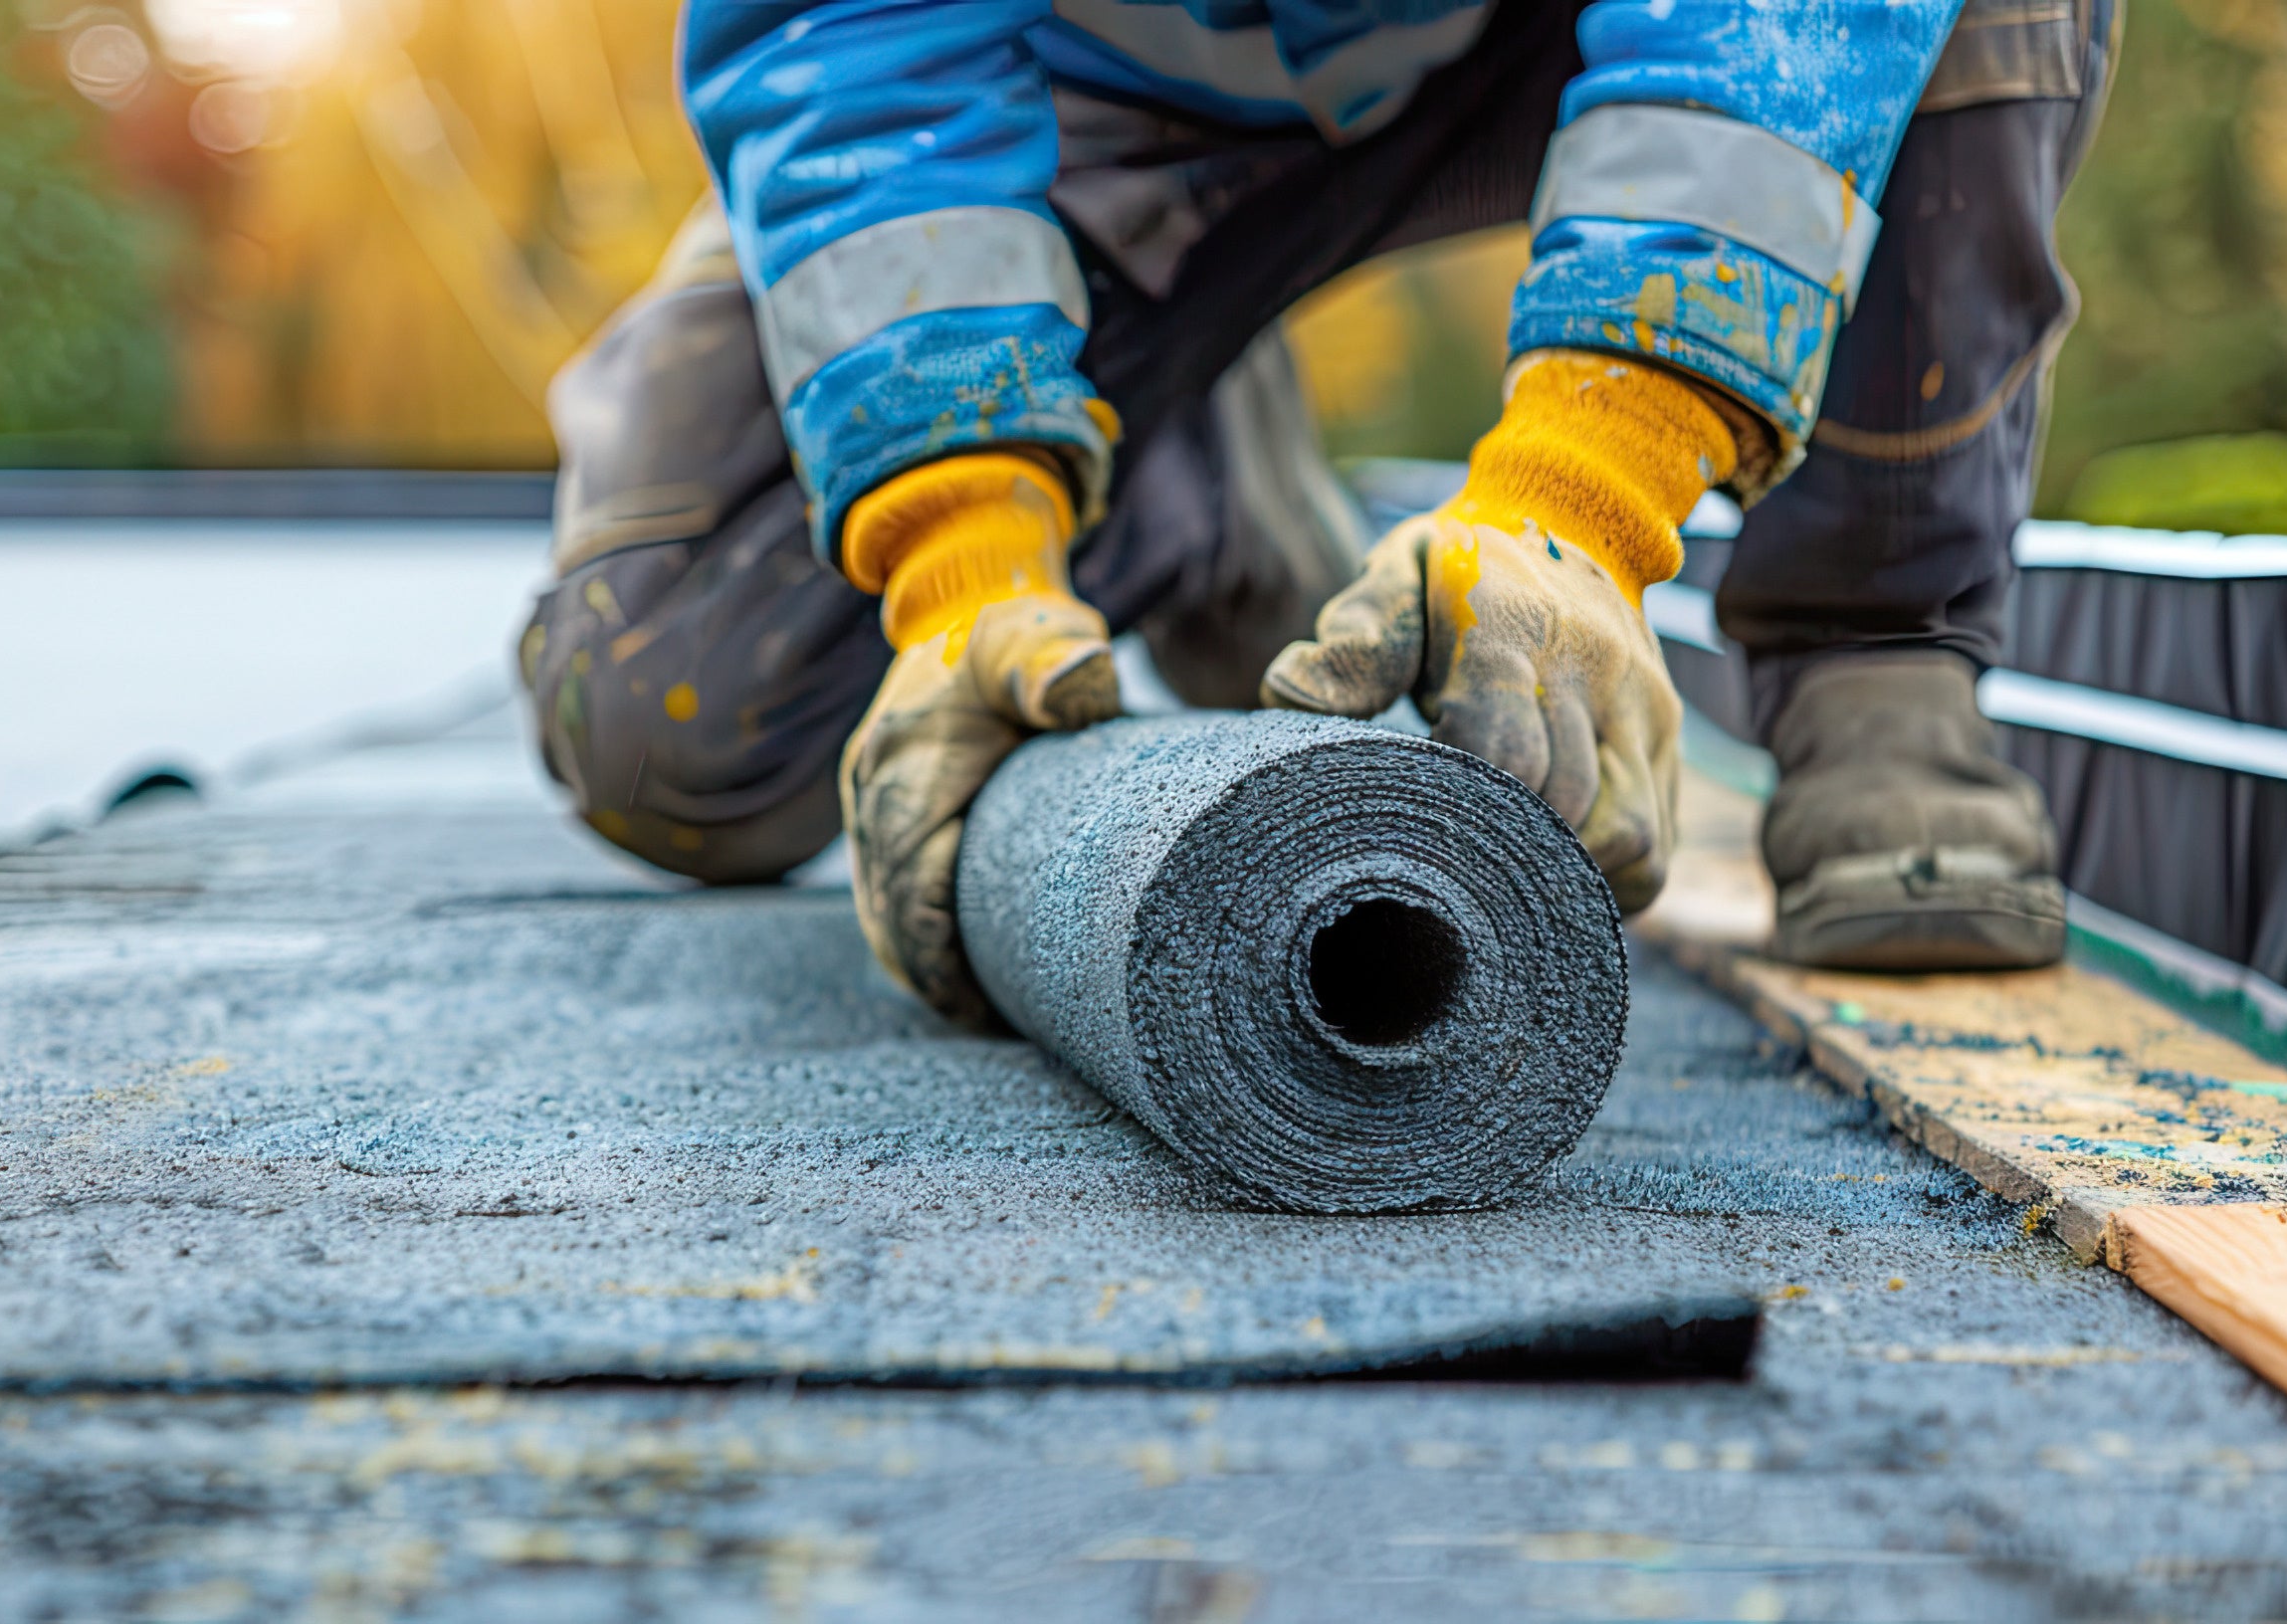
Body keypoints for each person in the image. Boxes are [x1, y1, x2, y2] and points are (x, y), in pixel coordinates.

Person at [520, 0, 2118, 1023]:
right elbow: (845, 35)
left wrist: (1590, 487)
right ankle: (1179, 483)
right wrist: (959, 554)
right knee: (671, 712)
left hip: (1552, 36)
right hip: (1078, 87)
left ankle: (1876, 646)